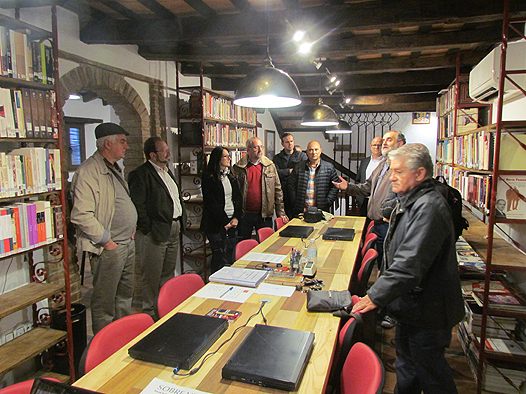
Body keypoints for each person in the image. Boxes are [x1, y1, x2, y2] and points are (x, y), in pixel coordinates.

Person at [352, 143, 465, 394]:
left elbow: (409, 264)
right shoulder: (410, 200)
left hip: (429, 310)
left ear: (420, 173)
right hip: (412, 306)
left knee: (431, 373)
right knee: (408, 368)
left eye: (399, 171)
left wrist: (374, 295)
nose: (391, 176)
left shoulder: (429, 207)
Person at [70, 123, 137, 334]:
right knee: (104, 303)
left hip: (127, 242)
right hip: (109, 247)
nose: (126, 146)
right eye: (122, 141)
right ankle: (105, 350)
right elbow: (81, 214)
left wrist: (131, 228)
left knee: (125, 297)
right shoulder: (88, 172)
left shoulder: (115, 167)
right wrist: (106, 241)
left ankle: (122, 340)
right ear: (108, 143)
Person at [128, 137, 187, 319]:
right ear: (153, 155)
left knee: (167, 274)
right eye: (164, 151)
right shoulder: (141, 174)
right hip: (155, 232)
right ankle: (150, 317)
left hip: (173, 228)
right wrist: (147, 228)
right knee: (151, 277)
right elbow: (138, 205)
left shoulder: (167, 171)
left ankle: (165, 311)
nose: (169, 153)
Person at [333, 131, 406, 267]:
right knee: (381, 262)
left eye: (389, 140)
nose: (384, 143)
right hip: (376, 221)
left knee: (389, 263)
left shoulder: (402, 167)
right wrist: (347, 187)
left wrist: (392, 214)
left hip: (389, 224)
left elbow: (404, 197)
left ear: (400, 144)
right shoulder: (383, 164)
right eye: (384, 139)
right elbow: (367, 187)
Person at [233, 137, 288, 240]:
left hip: (264, 215)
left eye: (261, 147)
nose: (260, 150)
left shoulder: (270, 166)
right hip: (245, 215)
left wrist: (281, 212)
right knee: (244, 243)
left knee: (265, 243)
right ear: (248, 150)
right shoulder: (238, 168)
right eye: (255, 147)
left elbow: (278, 190)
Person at [200, 147, 242, 272]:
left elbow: (238, 198)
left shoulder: (230, 175)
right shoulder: (209, 177)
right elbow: (211, 202)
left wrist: (236, 218)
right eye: (225, 156)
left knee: (231, 257)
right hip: (216, 223)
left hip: (232, 221)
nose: (229, 158)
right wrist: (225, 222)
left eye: (229, 155)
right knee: (219, 258)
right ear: (217, 159)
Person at [288, 141, 339, 217]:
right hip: (301, 212)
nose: (313, 152)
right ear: (307, 152)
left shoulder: (329, 167)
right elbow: (291, 185)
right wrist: (295, 201)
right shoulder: (298, 167)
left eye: (316, 149)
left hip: (321, 211)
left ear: (320, 151)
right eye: (311, 150)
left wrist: (328, 201)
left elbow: (335, 186)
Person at [272, 133, 307, 218]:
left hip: (297, 192)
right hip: (282, 192)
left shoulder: (301, 156)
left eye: (291, 141)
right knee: (284, 219)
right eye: (287, 142)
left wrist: (287, 172)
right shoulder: (277, 158)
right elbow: (276, 174)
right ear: (282, 144)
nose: (290, 144)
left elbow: (303, 172)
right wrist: (289, 171)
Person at [355, 136, 383, 216]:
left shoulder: (386, 162)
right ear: (371, 147)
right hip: (364, 201)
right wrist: (358, 198)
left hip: (378, 201)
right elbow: (358, 180)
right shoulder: (364, 161)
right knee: (364, 226)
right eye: (374, 145)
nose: (376, 147)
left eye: (379, 145)